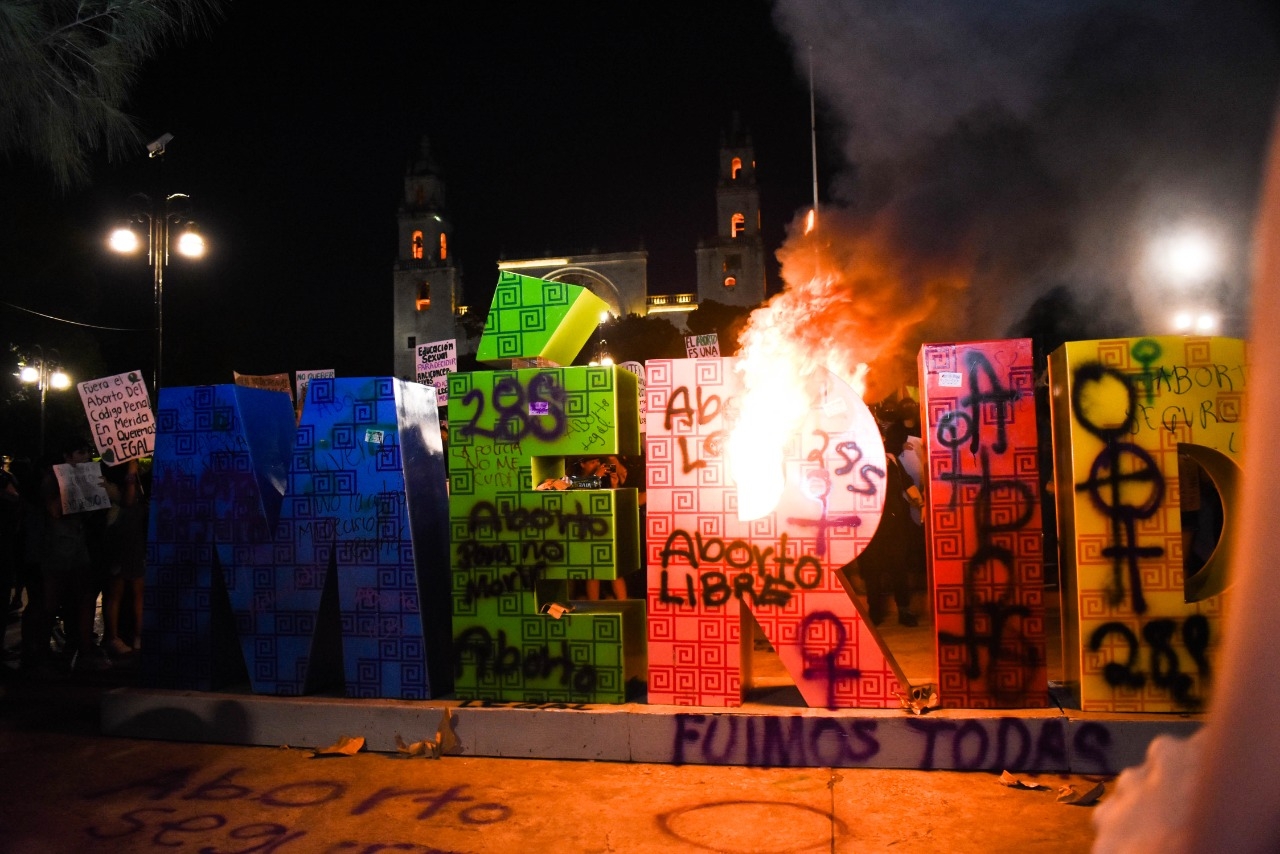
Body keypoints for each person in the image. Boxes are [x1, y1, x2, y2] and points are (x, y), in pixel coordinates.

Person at [39, 437, 110, 673]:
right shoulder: (52, 478)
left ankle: (81, 648)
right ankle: (40, 652)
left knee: (83, 598)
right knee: (51, 602)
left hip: (79, 548)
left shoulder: (84, 475)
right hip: (57, 550)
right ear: (67, 456)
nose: (86, 458)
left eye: (87, 453)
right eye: (80, 453)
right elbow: (54, 511)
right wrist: (75, 485)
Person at [854, 422, 920, 627]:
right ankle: (875, 610)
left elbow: (908, 485)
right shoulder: (854, 464)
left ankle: (904, 610)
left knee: (898, 568)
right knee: (872, 569)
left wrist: (922, 503)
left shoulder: (891, 461)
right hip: (868, 524)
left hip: (894, 522)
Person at [102, 459, 147, 656]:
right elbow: (128, 501)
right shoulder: (108, 485)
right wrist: (131, 469)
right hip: (120, 544)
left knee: (137, 592)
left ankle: (138, 635)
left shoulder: (135, 483)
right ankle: (113, 637)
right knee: (116, 592)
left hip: (134, 543)